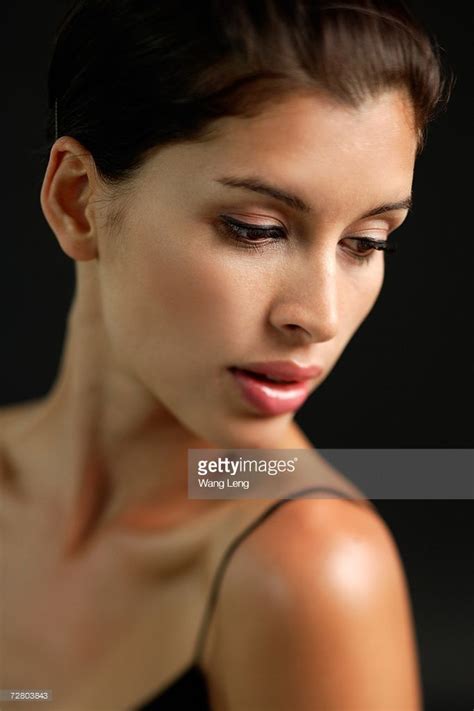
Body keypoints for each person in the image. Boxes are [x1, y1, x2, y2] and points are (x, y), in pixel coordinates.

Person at [0, 0, 451, 709]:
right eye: (257, 229)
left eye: (367, 242)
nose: (320, 316)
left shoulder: (315, 571)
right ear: (77, 200)